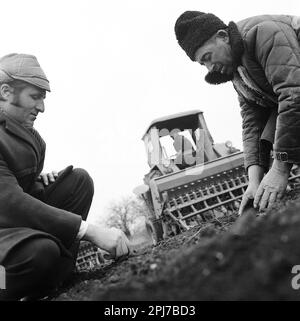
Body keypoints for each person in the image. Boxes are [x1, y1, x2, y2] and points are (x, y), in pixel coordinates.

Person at [0, 53, 131, 301]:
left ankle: (57, 280)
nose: (42, 107)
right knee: (38, 252)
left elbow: (17, 188)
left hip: (8, 224)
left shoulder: (33, 138)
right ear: (6, 92)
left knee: (78, 182)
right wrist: (89, 231)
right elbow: (8, 202)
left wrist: (38, 182)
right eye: (35, 97)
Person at [174, 12, 300, 214]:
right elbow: (252, 123)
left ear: (223, 36)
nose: (209, 67)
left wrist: (280, 168)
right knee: (271, 129)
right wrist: (254, 180)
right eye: (202, 64)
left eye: (207, 57)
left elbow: (294, 95)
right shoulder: (238, 73)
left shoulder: (263, 33)